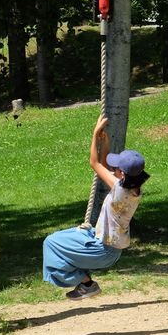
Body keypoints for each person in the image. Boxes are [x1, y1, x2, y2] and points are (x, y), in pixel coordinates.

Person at [42, 116, 149, 300]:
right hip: (107, 245)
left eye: (116, 168)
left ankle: (86, 283)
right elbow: (106, 167)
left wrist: (94, 135)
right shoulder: (133, 188)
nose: (112, 168)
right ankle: (84, 279)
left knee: (51, 244)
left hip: (103, 251)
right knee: (58, 239)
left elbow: (95, 164)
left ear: (122, 174)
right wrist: (105, 142)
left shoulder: (119, 190)